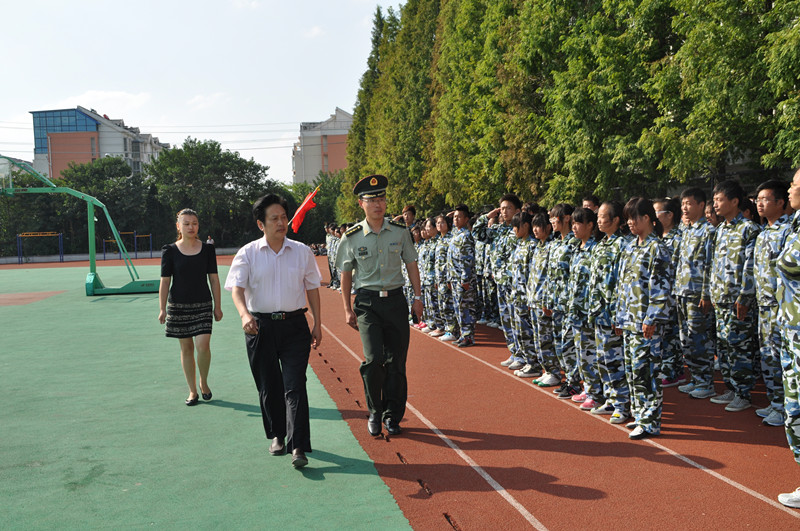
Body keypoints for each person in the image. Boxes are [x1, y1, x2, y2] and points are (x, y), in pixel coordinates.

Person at [224, 193, 322, 469]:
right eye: (274, 218)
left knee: (295, 385)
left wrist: (318, 323)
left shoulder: (301, 251)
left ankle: (298, 445)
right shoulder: (248, 253)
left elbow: (312, 288)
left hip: (295, 326)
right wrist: (244, 315)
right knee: (269, 385)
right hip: (260, 327)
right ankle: (278, 435)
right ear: (261, 224)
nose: (281, 223)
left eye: (284, 217)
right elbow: (237, 290)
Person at [336, 174, 423, 437]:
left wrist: (418, 298)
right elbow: (345, 274)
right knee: (374, 360)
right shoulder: (351, 237)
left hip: (396, 302)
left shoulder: (400, 232)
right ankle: (375, 410)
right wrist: (347, 308)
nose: (378, 204)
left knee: (396, 363)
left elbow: (411, 264)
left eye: (382, 199)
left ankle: (392, 416)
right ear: (361, 204)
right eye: (372, 200)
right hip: (368, 304)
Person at [616, 197, 673, 440]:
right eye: (627, 218)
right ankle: (640, 415)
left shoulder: (656, 248)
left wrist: (652, 318)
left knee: (647, 372)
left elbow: (661, 288)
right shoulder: (631, 247)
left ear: (647, 218)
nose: (629, 222)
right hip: (630, 321)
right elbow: (622, 285)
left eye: (633, 217)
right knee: (633, 371)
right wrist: (619, 317)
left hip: (646, 323)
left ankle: (650, 421)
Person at [158, 208, 223, 407]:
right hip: (178, 306)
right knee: (186, 349)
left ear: (198, 225)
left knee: (203, 346)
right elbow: (165, 281)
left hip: (203, 305)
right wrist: (162, 308)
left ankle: (203, 381)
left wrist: (218, 306)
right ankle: (193, 390)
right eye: (186, 223)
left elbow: (214, 279)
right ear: (178, 226)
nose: (191, 227)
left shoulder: (208, 250)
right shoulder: (169, 251)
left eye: (194, 223)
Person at [709, 180, 761, 412]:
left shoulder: (749, 229)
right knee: (724, 346)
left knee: (740, 347)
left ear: (734, 201)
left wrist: (745, 297)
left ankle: (743, 392)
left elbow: (751, 267)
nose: (715, 205)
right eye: (714, 200)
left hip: (738, 301)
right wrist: (712, 292)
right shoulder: (720, 229)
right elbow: (714, 264)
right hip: (720, 299)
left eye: (719, 200)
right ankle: (731, 387)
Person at [754, 179, 791, 427]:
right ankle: (775, 401)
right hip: (764, 305)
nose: (760, 204)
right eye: (758, 200)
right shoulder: (764, 232)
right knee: (767, 356)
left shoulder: (788, 231)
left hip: (780, 306)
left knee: (779, 356)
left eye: (765, 199)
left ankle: (784, 407)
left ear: (780, 202)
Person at [673, 188, 717, 399]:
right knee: (686, 340)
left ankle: (706, 382)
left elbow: (710, 265)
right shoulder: (686, 231)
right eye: (683, 204)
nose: (685, 208)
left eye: (689, 203)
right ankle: (696, 378)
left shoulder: (708, 231)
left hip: (697, 294)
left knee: (700, 339)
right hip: (682, 292)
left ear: (701, 205)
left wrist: (706, 294)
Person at [776, 167, 800, 508]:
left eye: (794, 184)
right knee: (794, 410)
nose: (790, 189)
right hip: (791, 329)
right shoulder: (794, 226)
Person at [654, 197, 685, 388]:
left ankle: (672, 371)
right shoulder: (658, 238)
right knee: (665, 334)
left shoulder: (678, 238)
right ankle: (671, 369)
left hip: (673, 293)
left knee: (672, 334)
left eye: (656, 212)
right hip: (661, 294)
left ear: (669, 215)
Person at [447, 204, 477, 347]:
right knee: (458, 308)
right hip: (454, 278)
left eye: (459, 217)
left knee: (466, 308)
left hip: (463, 279)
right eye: (454, 217)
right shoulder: (456, 234)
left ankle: (468, 336)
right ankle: (463, 334)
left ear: (466, 219)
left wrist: (465, 279)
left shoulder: (466, 236)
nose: (455, 219)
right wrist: (449, 278)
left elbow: (467, 260)